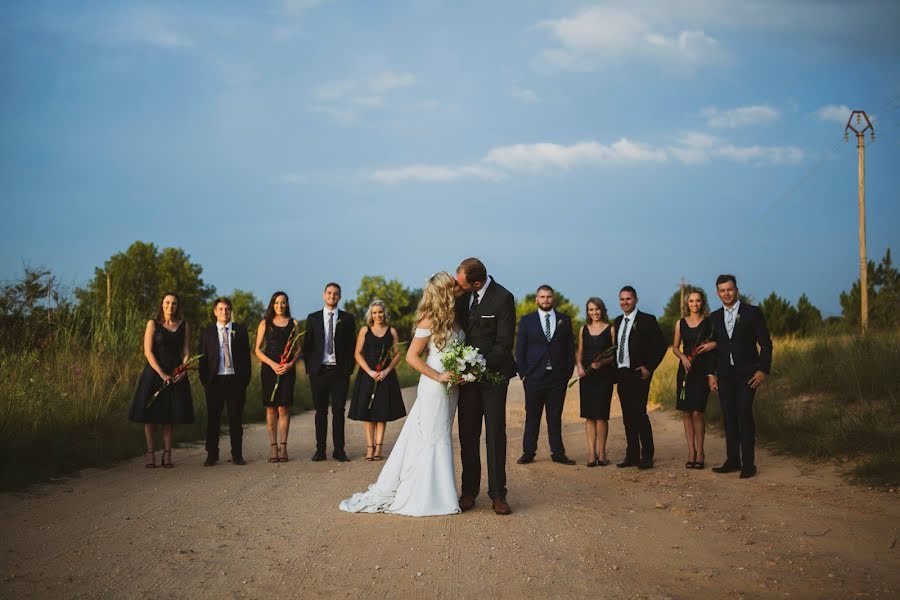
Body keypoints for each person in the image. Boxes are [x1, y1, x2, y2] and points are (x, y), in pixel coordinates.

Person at [339, 272, 461, 516]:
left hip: (451, 387)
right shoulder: (428, 321)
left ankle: (441, 490)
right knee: (431, 437)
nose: (458, 284)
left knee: (440, 435)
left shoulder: (455, 318)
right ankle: (427, 495)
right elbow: (411, 357)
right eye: (453, 282)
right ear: (445, 290)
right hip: (434, 386)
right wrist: (438, 376)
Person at [454, 258, 517, 515]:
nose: (458, 286)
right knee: (467, 434)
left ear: (476, 282)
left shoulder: (503, 298)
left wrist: (477, 367)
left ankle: (498, 494)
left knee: (494, 434)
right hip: (465, 382)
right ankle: (469, 491)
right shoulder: (461, 297)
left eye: (462, 282)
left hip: (493, 377)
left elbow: (504, 343)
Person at [707, 275, 773, 479]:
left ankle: (748, 464)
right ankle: (732, 460)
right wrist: (711, 374)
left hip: (748, 374)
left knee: (744, 414)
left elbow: (766, 344)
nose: (726, 293)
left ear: (736, 290)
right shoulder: (715, 317)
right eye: (722, 290)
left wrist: (762, 370)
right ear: (717, 293)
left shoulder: (752, 313)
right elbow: (713, 349)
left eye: (729, 289)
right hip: (725, 375)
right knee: (729, 417)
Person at [128, 292, 195, 469]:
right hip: (154, 372)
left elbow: (186, 351)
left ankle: (167, 454)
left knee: (169, 416)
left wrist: (183, 369)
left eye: (174, 303)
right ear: (162, 304)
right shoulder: (153, 324)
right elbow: (148, 352)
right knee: (149, 415)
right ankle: (150, 455)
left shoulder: (184, 325)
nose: (170, 306)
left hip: (175, 372)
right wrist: (161, 374)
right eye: (167, 302)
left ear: (177, 306)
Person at [515, 285, 576, 466]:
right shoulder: (527, 321)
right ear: (536, 299)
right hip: (533, 377)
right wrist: (523, 374)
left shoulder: (564, 320)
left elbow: (569, 349)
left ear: (553, 299)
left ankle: (558, 453)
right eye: (542, 297)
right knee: (532, 416)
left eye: (549, 297)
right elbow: (520, 349)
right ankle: (528, 452)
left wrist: (566, 374)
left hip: (557, 378)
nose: (545, 300)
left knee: (555, 416)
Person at [613, 286, 666, 470]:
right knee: (627, 416)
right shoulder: (618, 321)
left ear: (635, 299)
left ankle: (647, 455)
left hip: (638, 373)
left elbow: (661, 346)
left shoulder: (647, 320)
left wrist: (649, 367)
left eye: (628, 299)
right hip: (622, 374)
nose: (625, 302)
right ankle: (632, 455)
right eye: (622, 299)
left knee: (639, 414)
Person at [302, 283, 357, 462]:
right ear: (324, 295)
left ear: (340, 297)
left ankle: (339, 450)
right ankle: (320, 450)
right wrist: (310, 368)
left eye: (335, 294)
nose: (332, 296)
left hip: (339, 372)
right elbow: (307, 345)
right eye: (329, 293)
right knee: (320, 412)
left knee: (339, 411)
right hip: (319, 372)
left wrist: (348, 369)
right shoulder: (313, 318)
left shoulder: (348, 319)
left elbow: (352, 345)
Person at [347, 299, 406, 461]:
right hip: (368, 375)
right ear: (370, 315)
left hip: (385, 376)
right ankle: (369, 448)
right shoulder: (364, 331)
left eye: (380, 312)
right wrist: (369, 371)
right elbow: (357, 353)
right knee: (367, 413)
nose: (378, 315)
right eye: (374, 312)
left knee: (381, 412)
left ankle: (379, 448)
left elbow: (397, 354)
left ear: (384, 313)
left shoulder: (391, 331)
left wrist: (386, 371)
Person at [198, 297, 251, 466]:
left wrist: (244, 381)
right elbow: (203, 359)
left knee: (235, 419)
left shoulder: (240, 331)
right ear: (215, 312)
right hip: (215, 381)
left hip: (235, 380)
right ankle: (211, 454)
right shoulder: (207, 332)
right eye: (220, 309)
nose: (224, 312)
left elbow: (245, 358)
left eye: (227, 309)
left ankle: (237, 455)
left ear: (231, 311)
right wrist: (206, 381)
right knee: (213, 419)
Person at [671, 288, 717, 469]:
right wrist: (682, 357)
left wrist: (714, 344)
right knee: (686, 412)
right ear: (687, 304)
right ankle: (691, 451)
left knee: (698, 411)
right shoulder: (680, 323)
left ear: (702, 302)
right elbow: (675, 347)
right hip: (686, 370)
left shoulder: (709, 322)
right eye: (691, 301)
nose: (695, 304)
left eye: (698, 301)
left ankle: (701, 451)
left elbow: (719, 340)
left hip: (703, 370)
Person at [255, 291, 300, 463]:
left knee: (284, 408)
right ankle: (273, 447)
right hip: (269, 369)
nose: (280, 306)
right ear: (272, 304)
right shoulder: (264, 323)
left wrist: (290, 364)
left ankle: (284, 447)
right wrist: (272, 364)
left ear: (287, 304)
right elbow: (257, 350)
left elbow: (298, 349)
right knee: (271, 408)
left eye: (283, 303)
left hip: (287, 370)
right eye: (276, 303)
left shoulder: (293, 323)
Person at [575, 297, 616, 467]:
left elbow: (615, 354)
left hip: (604, 377)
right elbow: (580, 352)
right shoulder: (583, 329)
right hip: (587, 377)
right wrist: (579, 366)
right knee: (589, 416)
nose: (594, 313)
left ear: (602, 310)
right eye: (591, 310)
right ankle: (591, 454)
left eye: (597, 309)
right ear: (588, 312)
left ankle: (602, 453)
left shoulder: (611, 329)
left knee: (601, 416)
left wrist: (603, 363)